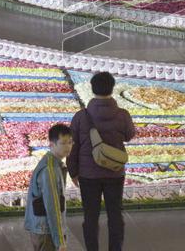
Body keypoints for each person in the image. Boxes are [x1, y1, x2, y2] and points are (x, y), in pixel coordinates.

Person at [67, 72, 135, 251]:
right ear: (112, 88)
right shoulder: (123, 115)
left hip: (88, 175)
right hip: (115, 172)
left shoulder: (81, 116)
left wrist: (73, 171)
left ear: (92, 88)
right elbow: (129, 135)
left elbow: (72, 146)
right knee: (115, 215)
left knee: (90, 217)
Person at [25, 124, 72, 251]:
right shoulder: (50, 170)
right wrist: (60, 241)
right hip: (46, 231)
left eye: (70, 142)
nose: (68, 146)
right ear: (51, 144)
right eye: (63, 143)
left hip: (43, 228)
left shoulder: (54, 165)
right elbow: (53, 206)